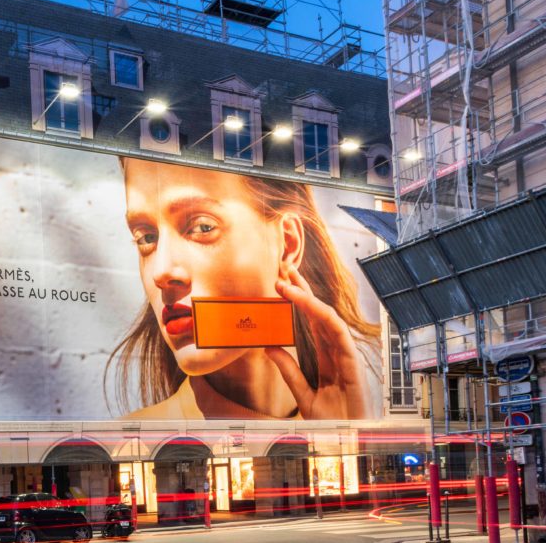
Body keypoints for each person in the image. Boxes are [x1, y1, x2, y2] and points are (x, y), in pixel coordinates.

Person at [110, 159, 381, 420]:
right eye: (147, 238)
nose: (162, 272)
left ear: (287, 244)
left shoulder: (351, 410)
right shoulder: (130, 442)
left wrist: (350, 430)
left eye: (202, 227)